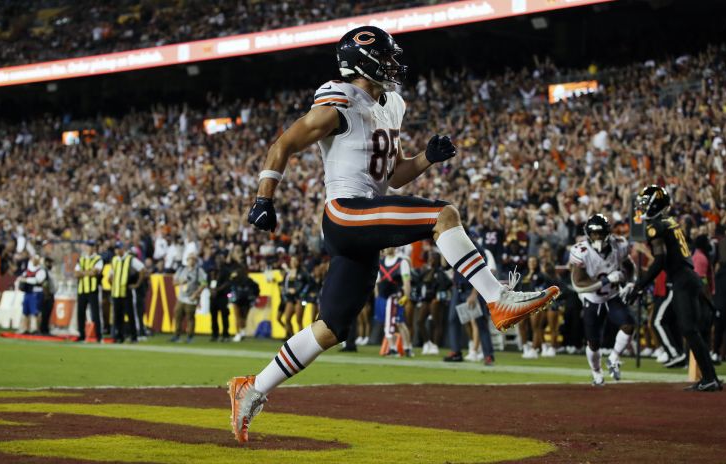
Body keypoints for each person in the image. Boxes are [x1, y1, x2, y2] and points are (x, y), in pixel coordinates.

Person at [227, 25, 559, 443]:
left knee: (330, 328)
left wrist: (426, 158)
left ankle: (252, 388)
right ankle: (498, 299)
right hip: (345, 213)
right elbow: (284, 144)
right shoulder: (339, 99)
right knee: (444, 214)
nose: (392, 64)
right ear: (362, 61)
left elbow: (395, 176)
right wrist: (264, 198)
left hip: (365, 218)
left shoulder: (392, 104)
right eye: (384, 57)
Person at [631, 185, 722, 391]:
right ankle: (710, 377)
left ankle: (710, 377)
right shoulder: (670, 221)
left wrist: (639, 285)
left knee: (689, 329)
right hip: (689, 277)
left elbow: (660, 259)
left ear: (655, 204)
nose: (642, 208)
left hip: (682, 278)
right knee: (692, 330)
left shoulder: (656, 226)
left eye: (646, 203)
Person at [569, 214, 636, 386]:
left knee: (629, 325)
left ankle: (614, 358)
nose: (597, 237)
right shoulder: (581, 251)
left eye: (600, 233)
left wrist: (630, 282)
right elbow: (579, 284)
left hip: (612, 296)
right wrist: (606, 280)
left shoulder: (619, 245)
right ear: (588, 234)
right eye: (594, 233)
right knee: (593, 343)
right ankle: (596, 373)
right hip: (592, 299)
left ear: (607, 233)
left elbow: (629, 266)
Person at [376, 247, 413, 357]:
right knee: (390, 322)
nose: (387, 248)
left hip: (395, 297)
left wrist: (406, 296)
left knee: (398, 322)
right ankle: (398, 348)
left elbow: (406, 281)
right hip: (383, 297)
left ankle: (404, 348)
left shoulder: (402, 262)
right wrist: (377, 297)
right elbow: (377, 281)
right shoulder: (380, 263)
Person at [109, 242, 146, 343]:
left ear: (123, 249)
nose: (117, 251)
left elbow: (142, 269)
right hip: (116, 292)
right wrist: (113, 283)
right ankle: (119, 336)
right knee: (117, 316)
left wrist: (137, 284)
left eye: (118, 248)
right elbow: (110, 275)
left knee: (130, 315)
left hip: (126, 291)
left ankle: (134, 336)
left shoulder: (130, 259)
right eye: (116, 249)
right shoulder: (115, 260)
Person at [170, 252, 207, 343]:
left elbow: (204, 283)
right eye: (190, 259)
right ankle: (177, 335)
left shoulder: (199, 271)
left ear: (196, 261)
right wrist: (180, 282)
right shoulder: (182, 269)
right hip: (181, 297)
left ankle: (190, 336)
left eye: (194, 259)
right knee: (177, 315)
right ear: (187, 260)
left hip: (191, 298)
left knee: (190, 317)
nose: (192, 261)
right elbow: (174, 282)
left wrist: (196, 293)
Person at [74, 240, 103, 343]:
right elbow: (76, 274)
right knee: (80, 313)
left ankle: (98, 336)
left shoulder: (98, 258)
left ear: (94, 248)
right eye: (88, 246)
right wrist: (88, 272)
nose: (89, 248)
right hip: (82, 289)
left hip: (92, 289)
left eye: (91, 246)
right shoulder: (81, 259)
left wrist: (83, 272)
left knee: (95, 314)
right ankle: (81, 335)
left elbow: (95, 272)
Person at [16, 254, 46, 335]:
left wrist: (25, 280)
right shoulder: (27, 270)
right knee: (25, 311)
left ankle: (35, 329)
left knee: (35, 312)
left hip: (36, 293)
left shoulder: (41, 271)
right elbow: (21, 278)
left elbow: (38, 280)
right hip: (27, 293)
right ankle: (24, 328)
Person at [39, 257, 56, 335]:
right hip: (46, 295)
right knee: (45, 313)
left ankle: (45, 329)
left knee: (48, 313)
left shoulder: (49, 271)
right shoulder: (43, 271)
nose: (51, 264)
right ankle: (43, 329)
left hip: (50, 294)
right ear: (46, 262)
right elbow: (43, 283)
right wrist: (46, 294)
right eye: (49, 263)